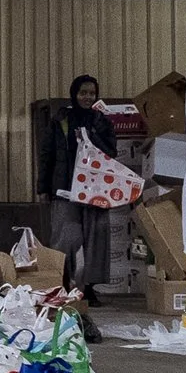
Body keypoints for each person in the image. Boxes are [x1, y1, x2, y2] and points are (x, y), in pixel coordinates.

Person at [37, 74, 120, 290]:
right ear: (74, 94)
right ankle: (62, 285)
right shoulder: (60, 120)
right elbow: (47, 155)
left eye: (92, 93)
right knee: (65, 240)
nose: (87, 97)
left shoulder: (102, 122)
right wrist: (43, 187)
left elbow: (111, 153)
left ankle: (89, 289)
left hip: (95, 192)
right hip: (65, 190)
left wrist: (91, 136)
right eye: (83, 93)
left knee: (96, 241)